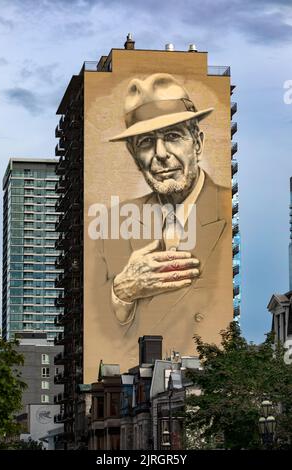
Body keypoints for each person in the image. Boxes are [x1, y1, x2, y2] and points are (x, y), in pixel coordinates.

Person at [89, 73, 232, 366]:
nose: (160, 154)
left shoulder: (229, 209)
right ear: (134, 155)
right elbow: (99, 325)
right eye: (145, 143)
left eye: (172, 136)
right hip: (148, 387)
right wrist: (122, 292)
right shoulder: (112, 224)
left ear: (198, 143)